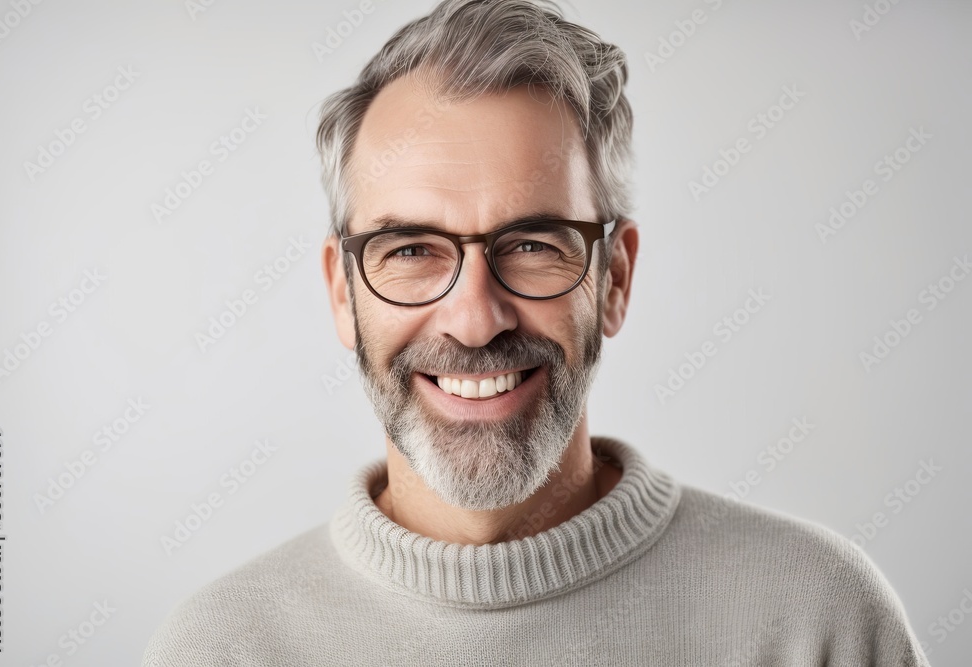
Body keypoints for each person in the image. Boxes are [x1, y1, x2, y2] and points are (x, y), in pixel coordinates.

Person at [142, 1, 930, 664]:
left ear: (614, 278)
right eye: (411, 249)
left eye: (532, 245)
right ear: (342, 293)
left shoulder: (816, 621)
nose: (476, 317)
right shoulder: (221, 648)